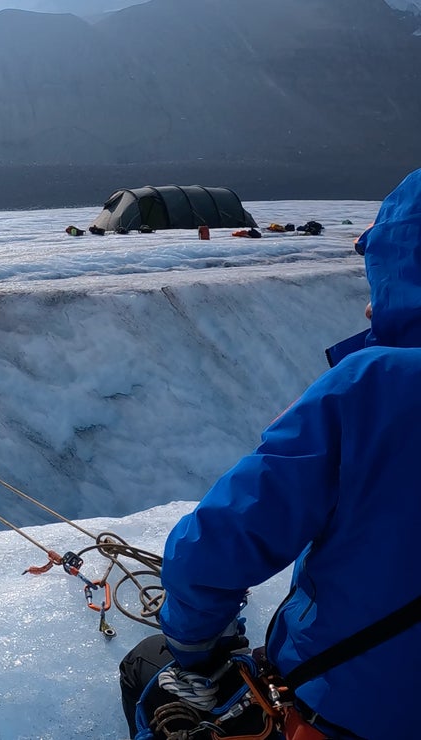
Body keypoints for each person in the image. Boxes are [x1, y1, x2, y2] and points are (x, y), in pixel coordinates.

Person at [118, 168, 421, 740]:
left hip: (348, 715)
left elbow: (220, 543)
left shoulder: (375, 386)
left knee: (151, 676)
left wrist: (195, 645)